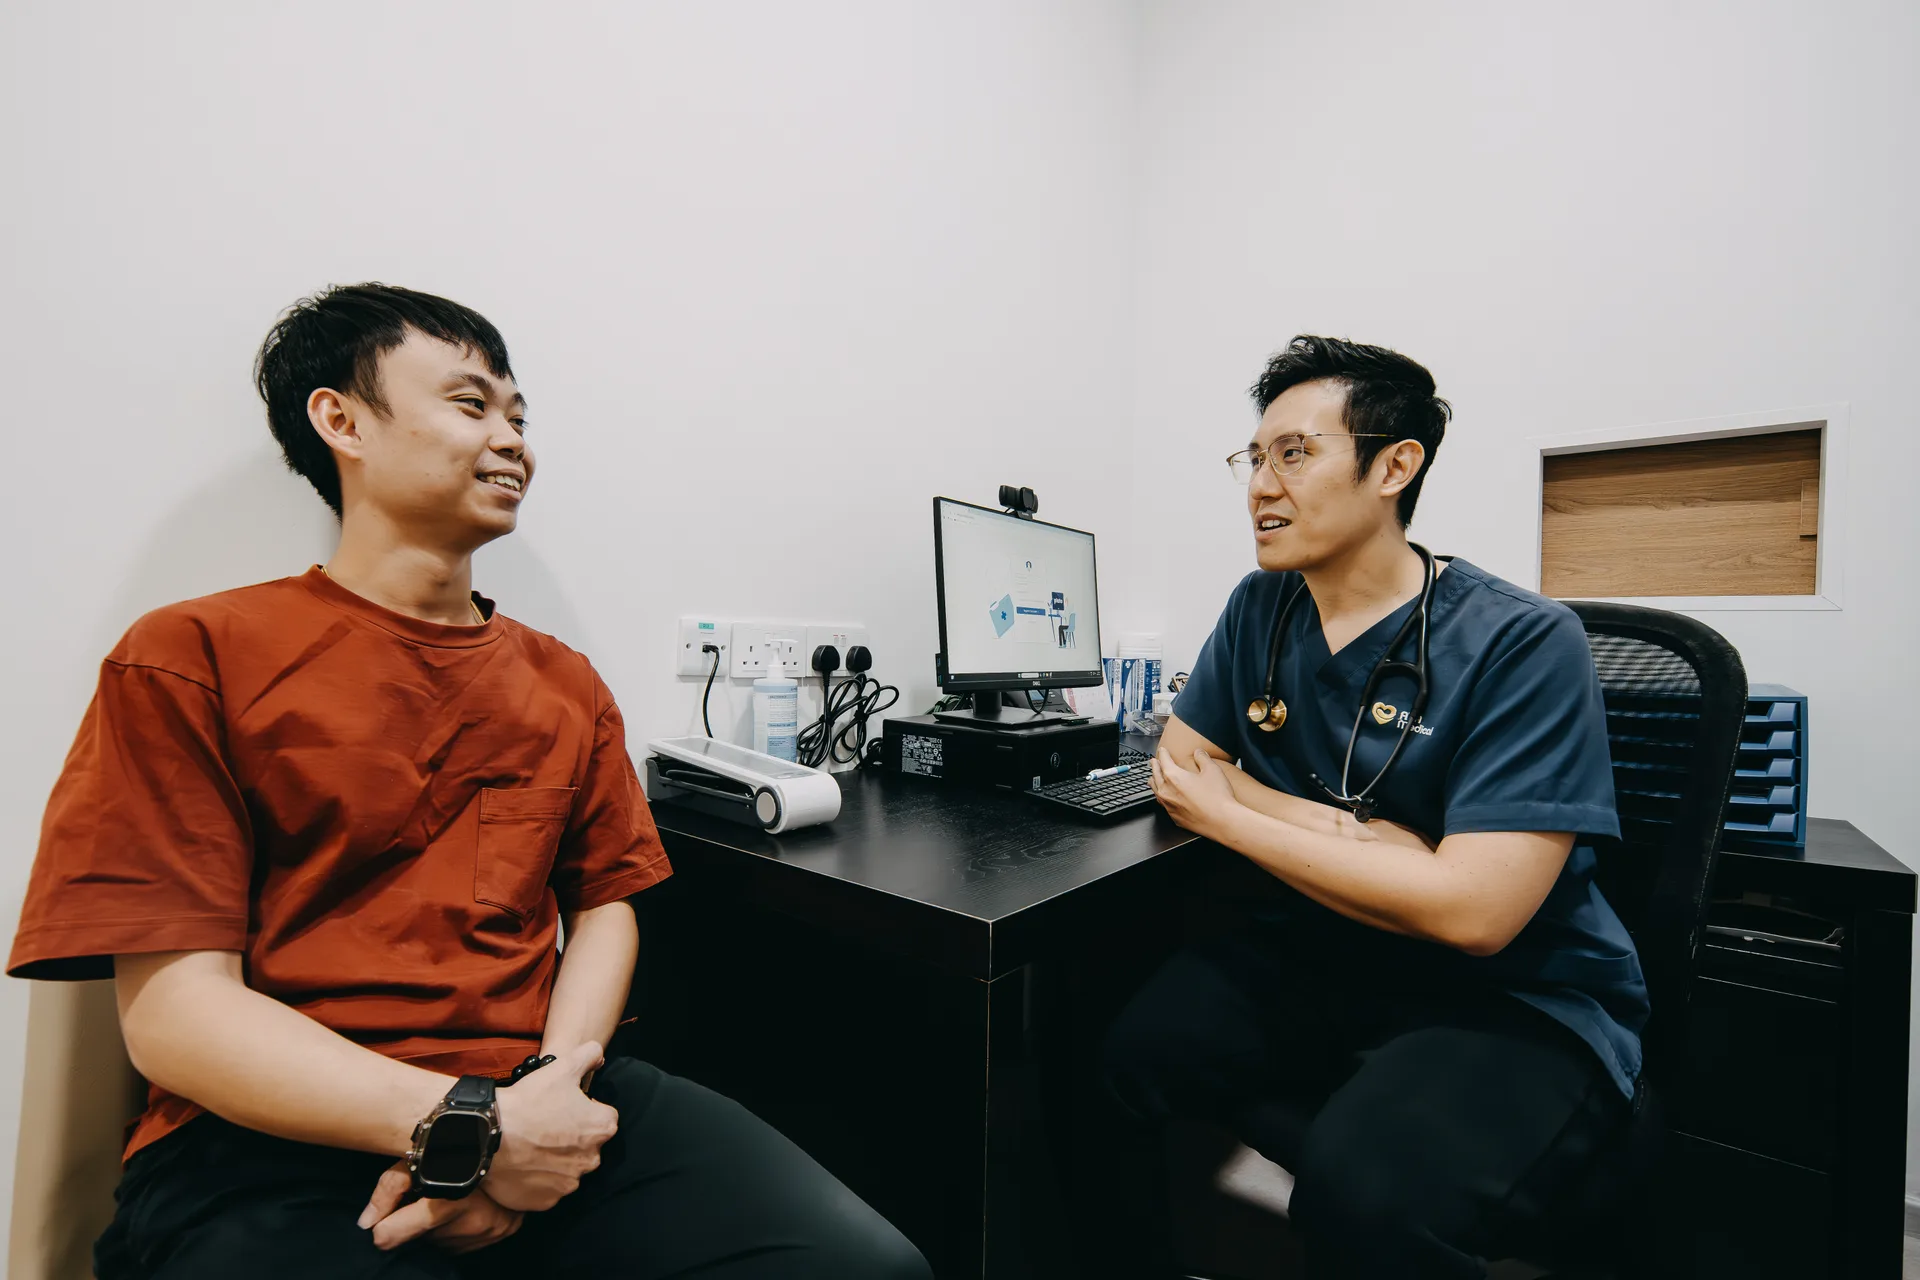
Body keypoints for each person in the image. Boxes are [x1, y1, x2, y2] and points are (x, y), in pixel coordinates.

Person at [8, 283, 930, 1280]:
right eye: (470, 403)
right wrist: (470, 1127)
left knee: (866, 1263)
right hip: (268, 1139)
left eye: (520, 417)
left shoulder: (564, 681)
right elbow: (174, 1015)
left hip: (540, 1092)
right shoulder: (192, 655)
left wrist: (547, 1096)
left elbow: (606, 903)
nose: (511, 440)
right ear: (341, 421)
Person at [1102, 336, 1644, 1278]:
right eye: (1254, 458)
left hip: (1514, 996)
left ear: (1394, 467)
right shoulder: (1262, 606)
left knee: (1363, 1194)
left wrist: (1235, 813)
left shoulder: (1523, 641)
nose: (1260, 486)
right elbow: (1182, 768)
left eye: (1294, 454)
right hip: (1330, 953)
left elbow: (1474, 912)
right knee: (1120, 1050)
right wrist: (1343, 829)